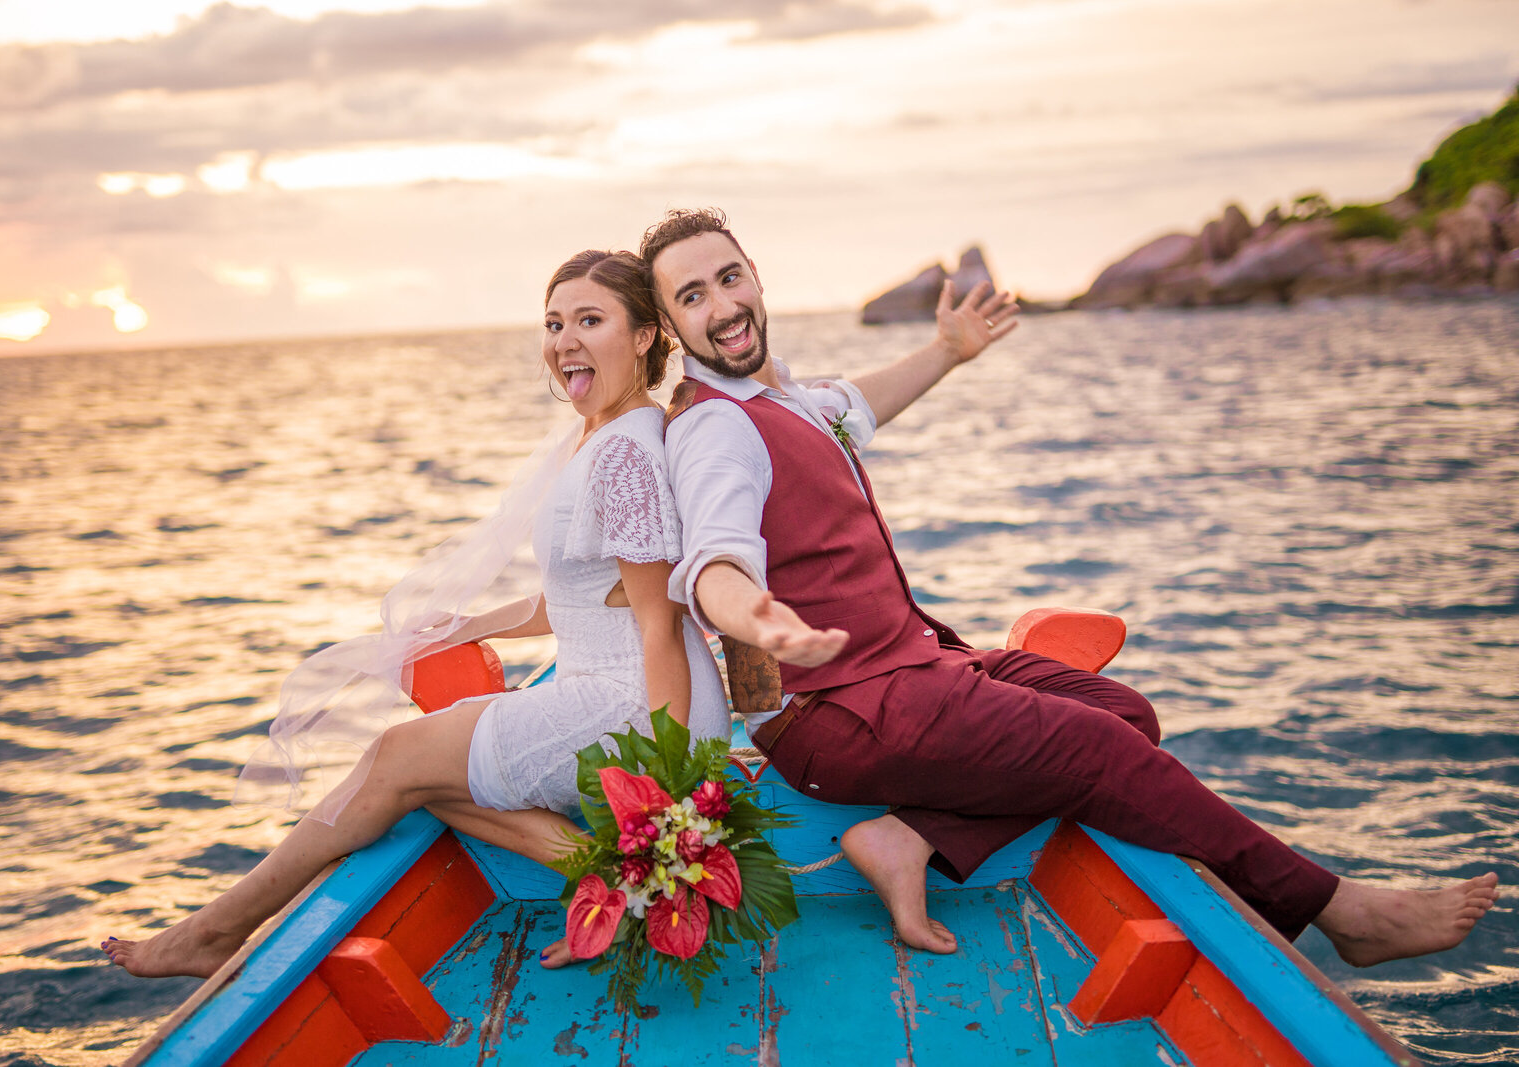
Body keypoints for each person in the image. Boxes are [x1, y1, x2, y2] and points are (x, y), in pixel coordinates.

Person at [642, 207, 1499, 966]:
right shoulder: (715, 429)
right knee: (1101, 753)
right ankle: (1340, 910)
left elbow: (852, 405)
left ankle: (910, 838)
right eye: (692, 297)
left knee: (1126, 716)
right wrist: (751, 611)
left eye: (729, 277)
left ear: (755, 275)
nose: (722, 306)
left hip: (907, 673)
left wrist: (947, 348)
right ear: (672, 326)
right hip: (834, 715)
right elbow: (716, 559)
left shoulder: (781, 396)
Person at [102, 249, 730, 979]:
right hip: (620, 682)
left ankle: (216, 928)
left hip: (641, 705)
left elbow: (656, 620)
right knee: (417, 780)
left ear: (646, 335)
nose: (564, 341)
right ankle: (621, 885)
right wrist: (468, 627)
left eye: (591, 320)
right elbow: (588, 595)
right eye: (555, 323)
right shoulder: (600, 435)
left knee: (398, 759)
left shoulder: (624, 454)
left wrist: (668, 779)